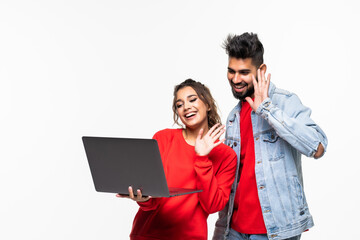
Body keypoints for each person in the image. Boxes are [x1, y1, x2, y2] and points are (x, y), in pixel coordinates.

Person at [212, 33, 328, 240]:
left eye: (243, 72)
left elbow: (317, 147)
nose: (235, 79)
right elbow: (231, 181)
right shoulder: (233, 118)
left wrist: (267, 109)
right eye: (231, 71)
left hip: (274, 231)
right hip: (235, 230)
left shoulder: (284, 102)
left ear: (261, 70)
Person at [117, 79, 237, 240]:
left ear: (208, 104)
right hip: (147, 234)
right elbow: (152, 196)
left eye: (192, 99)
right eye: (179, 105)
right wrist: (143, 198)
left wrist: (202, 158)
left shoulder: (226, 155)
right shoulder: (163, 138)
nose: (186, 107)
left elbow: (213, 205)